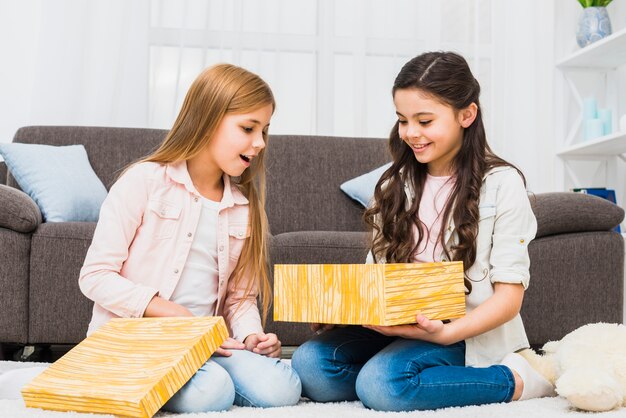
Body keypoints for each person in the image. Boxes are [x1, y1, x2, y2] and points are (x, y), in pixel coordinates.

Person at [0, 64, 301, 413]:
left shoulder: (244, 209)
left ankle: (196, 372)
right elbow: (95, 277)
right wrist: (170, 312)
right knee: (212, 392)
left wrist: (251, 336)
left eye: (264, 130)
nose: (260, 143)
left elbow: (240, 298)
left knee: (282, 388)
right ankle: (99, 374)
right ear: (207, 118)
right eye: (248, 128)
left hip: (205, 345)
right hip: (136, 341)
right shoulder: (144, 181)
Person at [291, 51, 555, 412]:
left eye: (425, 120)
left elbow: (508, 300)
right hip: (396, 326)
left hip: (462, 331)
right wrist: (342, 310)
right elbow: (376, 278)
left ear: (467, 115)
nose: (411, 133)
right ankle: (408, 376)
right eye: (402, 121)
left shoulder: (502, 184)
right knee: (309, 366)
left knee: (382, 384)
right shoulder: (394, 185)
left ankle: (516, 380)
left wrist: (444, 333)